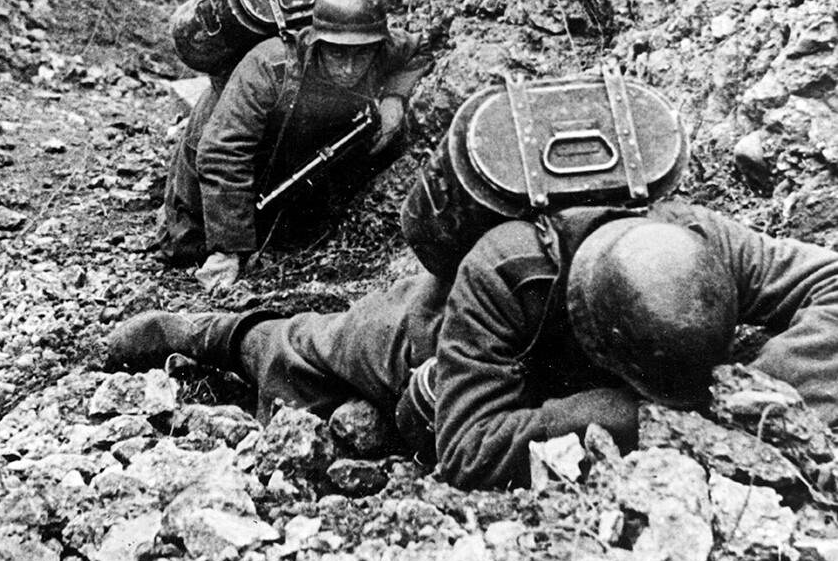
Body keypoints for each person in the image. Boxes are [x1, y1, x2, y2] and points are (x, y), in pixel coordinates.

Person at [112, 198, 838, 490]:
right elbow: (467, 449)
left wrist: (757, 393)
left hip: (586, 361)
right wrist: (627, 414)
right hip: (438, 331)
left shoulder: (699, 243)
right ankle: (206, 330)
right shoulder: (510, 269)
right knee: (314, 349)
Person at [158, 0, 429, 290]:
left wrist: (395, 97)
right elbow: (222, 151)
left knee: (294, 234)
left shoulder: (376, 45)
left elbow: (422, 47)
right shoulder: (270, 66)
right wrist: (227, 250)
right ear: (317, 42)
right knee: (185, 246)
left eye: (361, 55)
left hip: (285, 156)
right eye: (338, 55)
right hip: (215, 150)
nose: (351, 68)